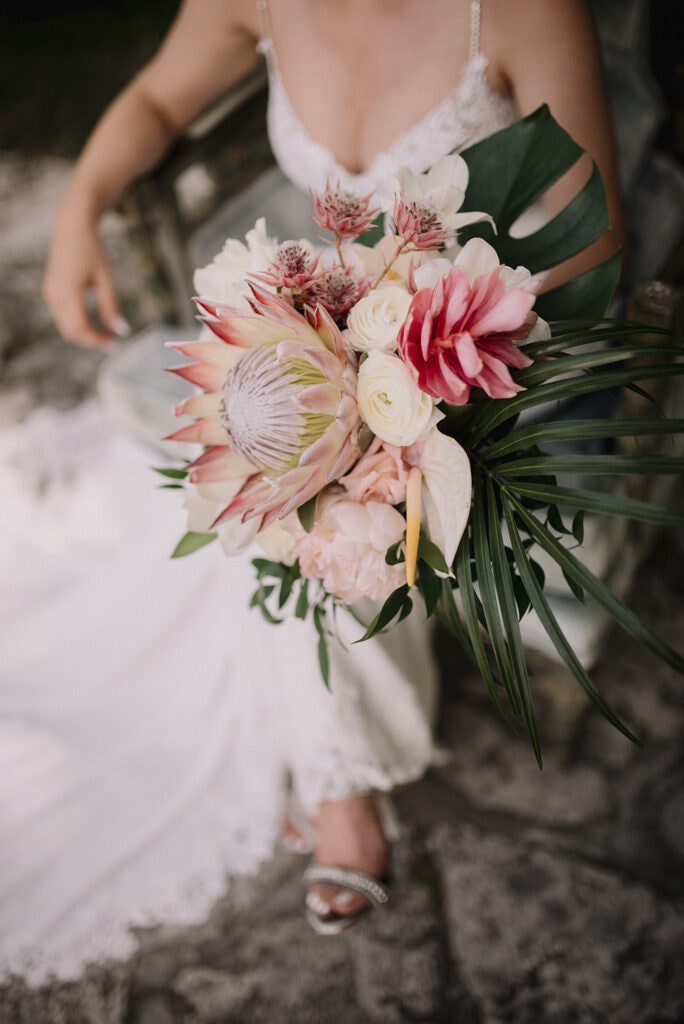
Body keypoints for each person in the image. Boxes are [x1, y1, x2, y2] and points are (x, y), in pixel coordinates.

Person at [3, 0, 623, 977]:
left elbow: (585, 245)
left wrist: (417, 366)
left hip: (479, 340)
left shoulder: (520, 10)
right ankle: (341, 761)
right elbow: (160, 100)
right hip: (333, 316)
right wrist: (82, 205)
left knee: (324, 497)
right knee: (271, 451)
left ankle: (341, 787)